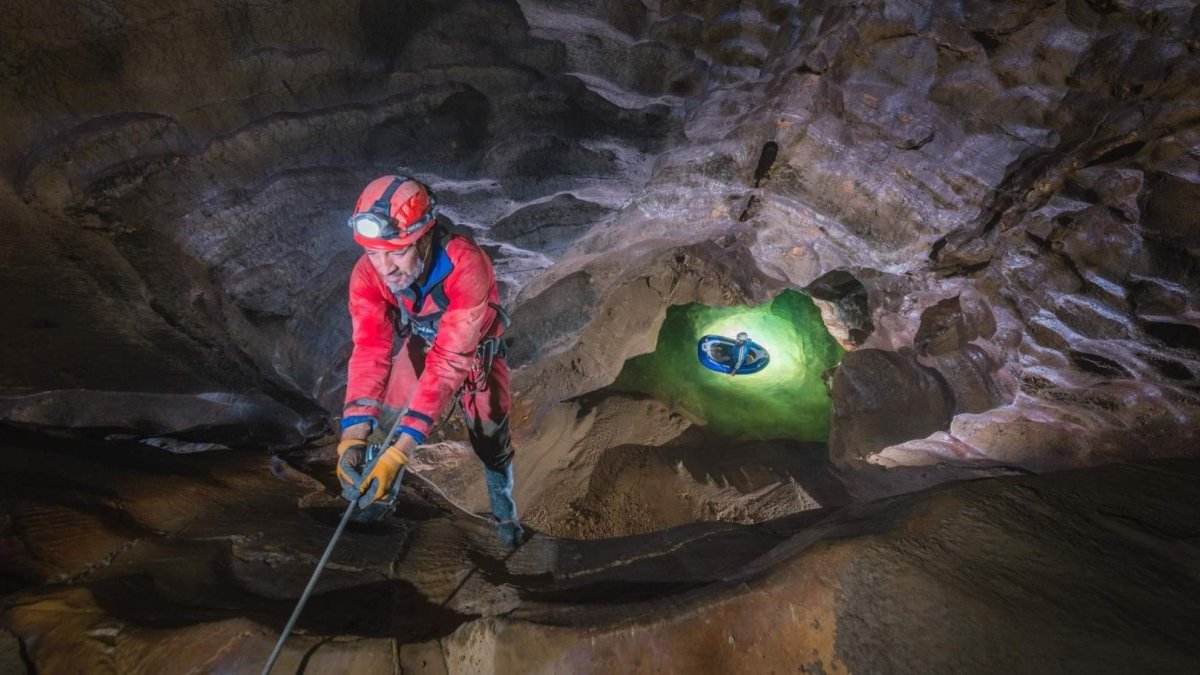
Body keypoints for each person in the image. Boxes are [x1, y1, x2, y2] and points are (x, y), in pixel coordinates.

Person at [335, 174, 522, 547]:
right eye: (374, 252)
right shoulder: (368, 274)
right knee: (384, 418)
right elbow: (370, 348)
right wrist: (350, 437)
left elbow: (451, 360)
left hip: (475, 357)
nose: (385, 267)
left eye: (396, 251)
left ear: (423, 238)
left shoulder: (466, 265)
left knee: (491, 434)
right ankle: (371, 499)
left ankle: (504, 516)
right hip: (424, 344)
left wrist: (400, 453)